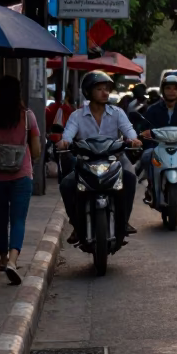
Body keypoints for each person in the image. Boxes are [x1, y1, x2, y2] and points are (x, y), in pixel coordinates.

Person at [59, 71, 141, 245]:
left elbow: (129, 130)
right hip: (86, 163)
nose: (105, 93)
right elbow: (68, 135)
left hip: (114, 160)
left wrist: (133, 139)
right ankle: (76, 225)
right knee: (66, 184)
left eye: (107, 89)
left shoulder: (117, 113)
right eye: (99, 89)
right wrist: (64, 143)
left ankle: (124, 220)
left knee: (130, 178)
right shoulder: (77, 116)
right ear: (88, 92)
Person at [0, 75, 40, 284]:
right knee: (18, 219)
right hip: (22, 175)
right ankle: (13, 260)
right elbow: (37, 151)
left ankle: (2, 259)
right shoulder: (28, 117)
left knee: (0, 219)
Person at [137, 75, 177, 191]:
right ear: (163, 90)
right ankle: (150, 184)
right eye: (168, 88)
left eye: (174, 89)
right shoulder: (152, 110)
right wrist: (144, 133)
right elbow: (144, 126)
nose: (171, 91)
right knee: (146, 156)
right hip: (157, 145)